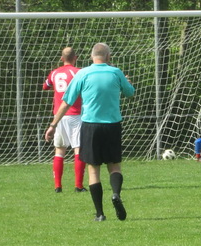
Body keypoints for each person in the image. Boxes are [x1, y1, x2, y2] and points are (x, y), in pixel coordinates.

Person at [46, 43, 135, 221]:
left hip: (90, 126)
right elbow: (130, 92)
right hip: (112, 125)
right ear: (108, 56)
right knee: (114, 166)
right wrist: (128, 83)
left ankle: (100, 214)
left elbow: (67, 102)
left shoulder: (83, 73)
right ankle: (116, 194)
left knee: (93, 170)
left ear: (91, 57)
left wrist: (53, 125)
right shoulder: (115, 72)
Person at [43, 47, 86, 192]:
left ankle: (57, 186)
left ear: (62, 59)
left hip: (59, 116)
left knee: (59, 151)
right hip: (76, 114)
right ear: (76, 57)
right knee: (78, 150)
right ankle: (78, 186)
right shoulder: (79, 72)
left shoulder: (54, 73)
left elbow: (45, 86)